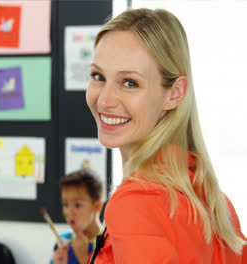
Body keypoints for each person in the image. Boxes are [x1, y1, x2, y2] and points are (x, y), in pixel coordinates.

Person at [85, 8, 246, 263]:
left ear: (174, 93)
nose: (104, 100)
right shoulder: (212, 200)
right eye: (98, 76)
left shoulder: (134, 203)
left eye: (129, 83)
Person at [52, 168, 104, 264]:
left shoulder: (108, 244)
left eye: (78, 205)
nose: (69, 212)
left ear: (97, 206)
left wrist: (84, 259)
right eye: (65, 204)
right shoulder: (62, 241)